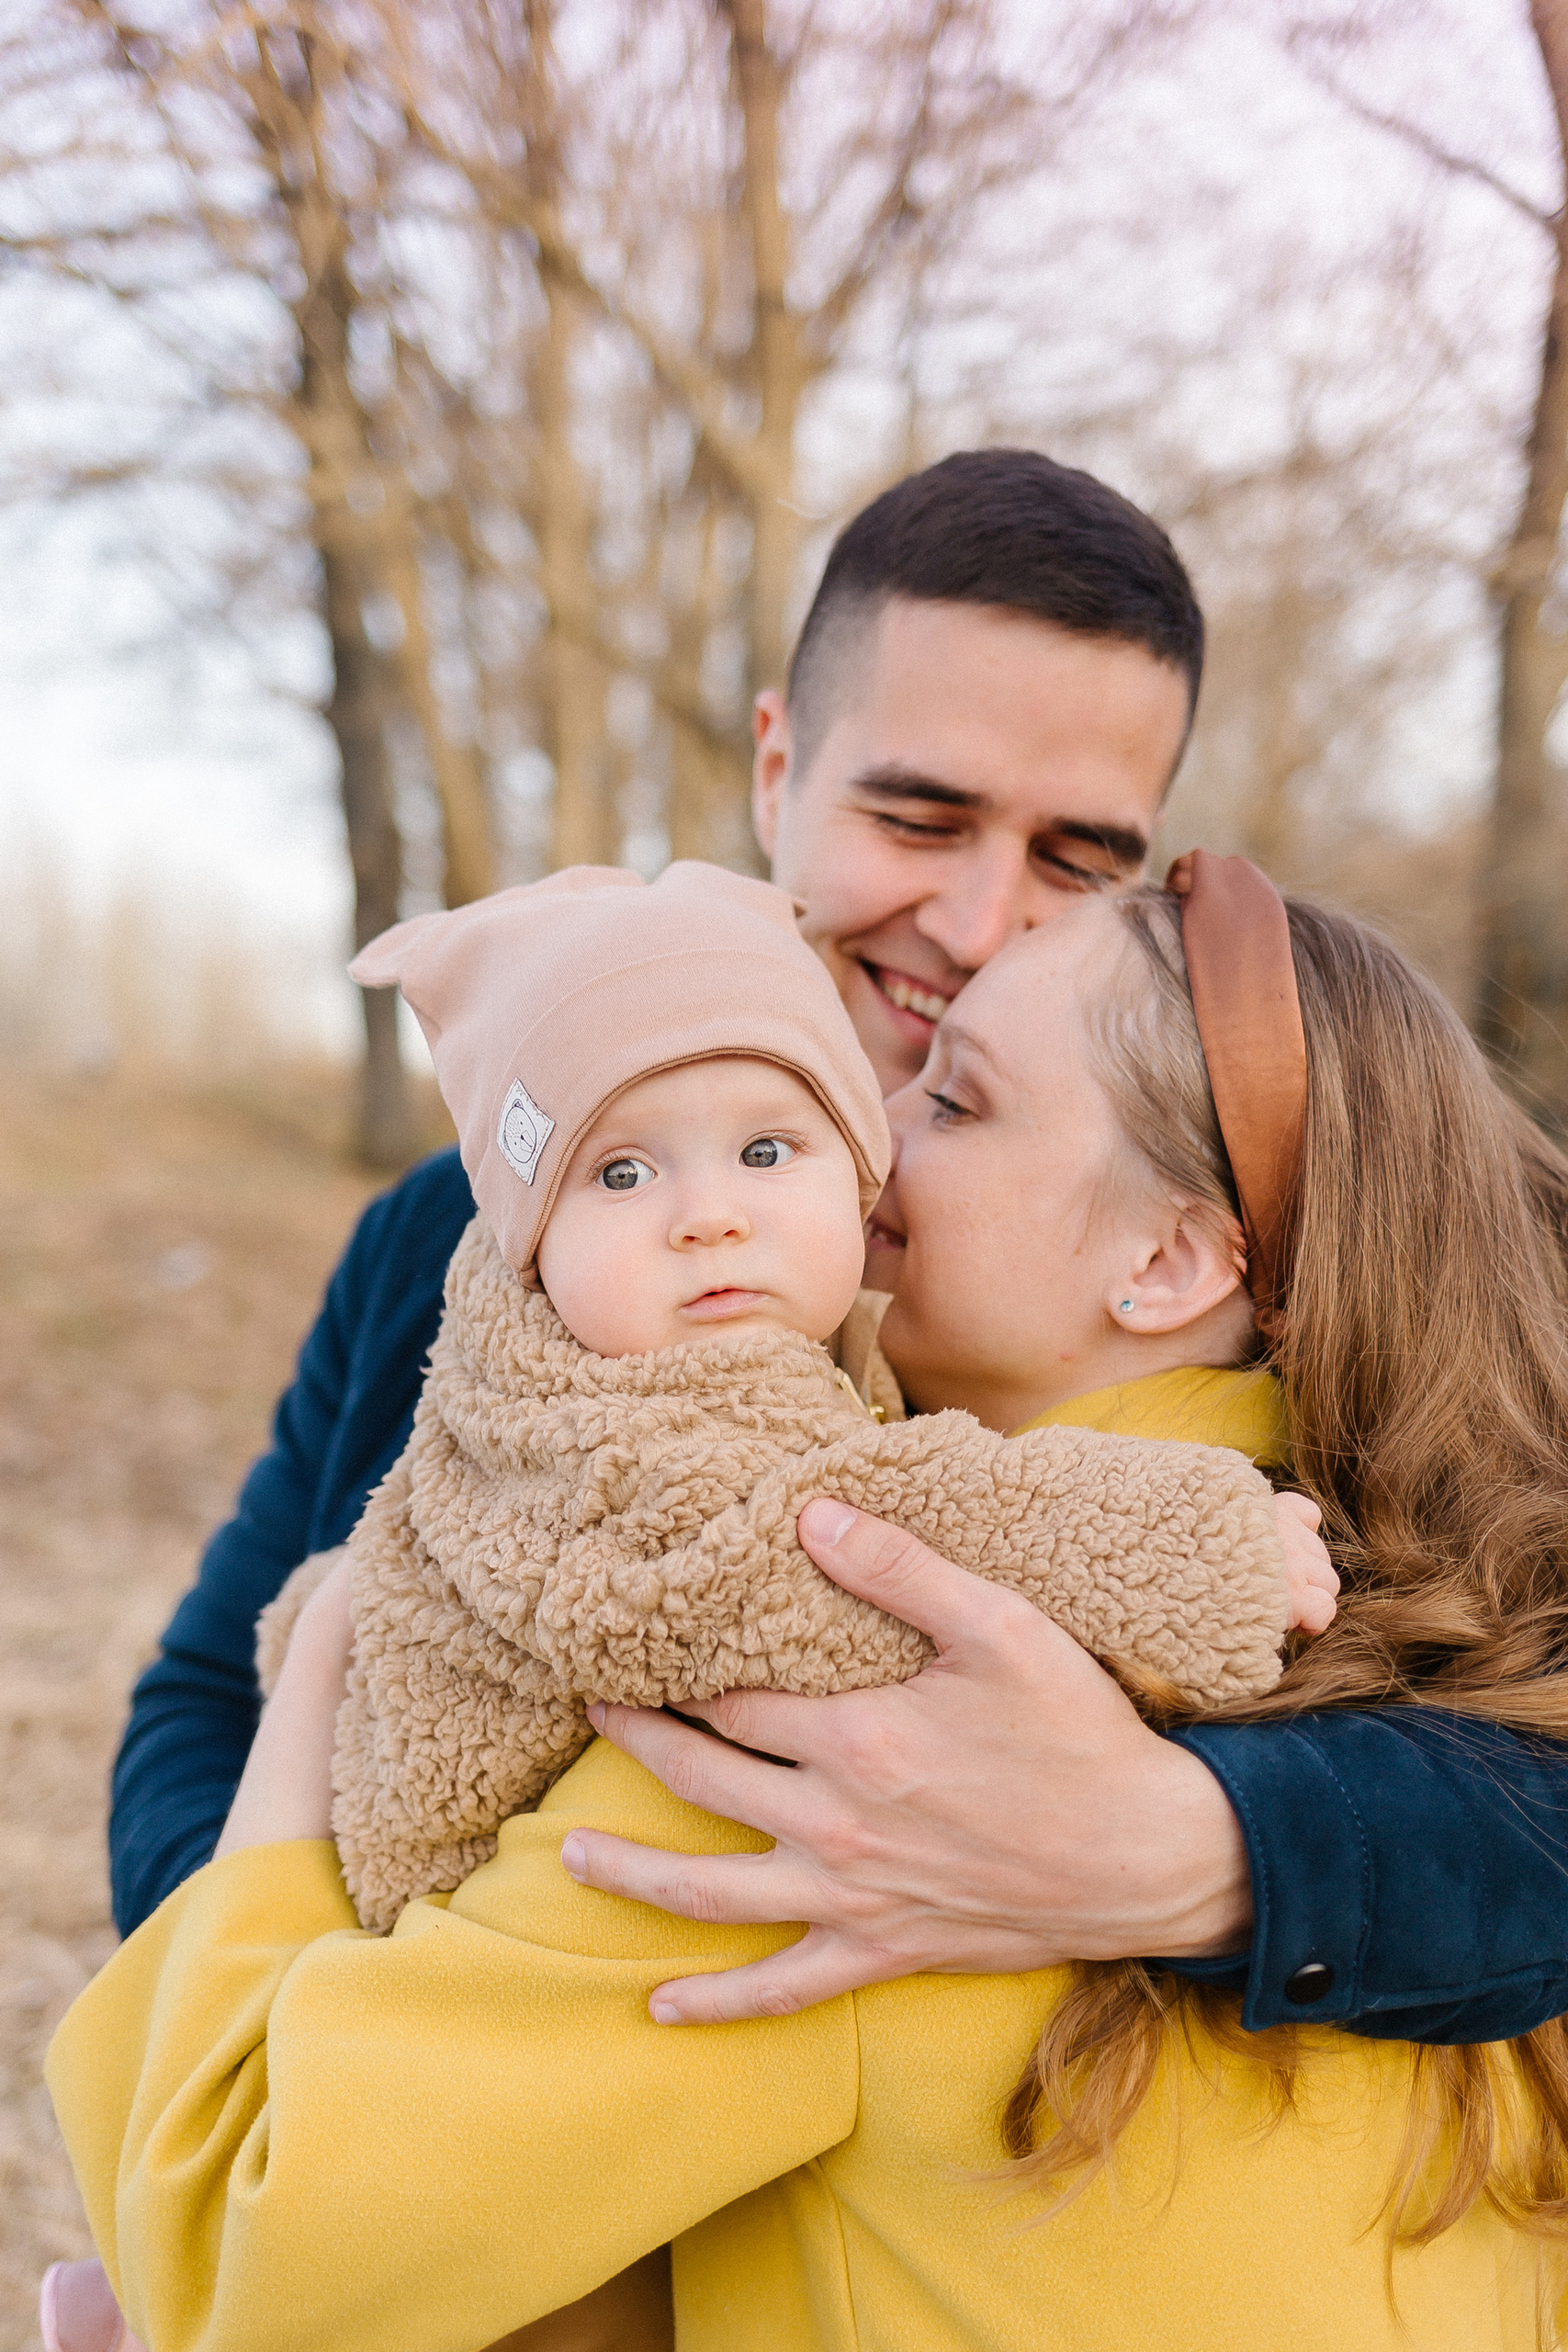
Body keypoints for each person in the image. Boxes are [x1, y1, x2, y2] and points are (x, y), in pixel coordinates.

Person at [107, 448, 1568, 2048]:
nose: (975, 916)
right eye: (919, 815)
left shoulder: (1223, 1283)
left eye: (1077, 854)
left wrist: (1199, 1849)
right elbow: (197, 1704)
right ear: (776, 764)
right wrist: (253, 2054)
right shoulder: (454, 1242)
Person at [49, 865, 1568, 2348]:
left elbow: (229, 2249)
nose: (869, 1138)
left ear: (1168, 1260)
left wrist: (327, 1649)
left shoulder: (862, 1726)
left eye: (954, 1100)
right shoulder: (1464, 1628)